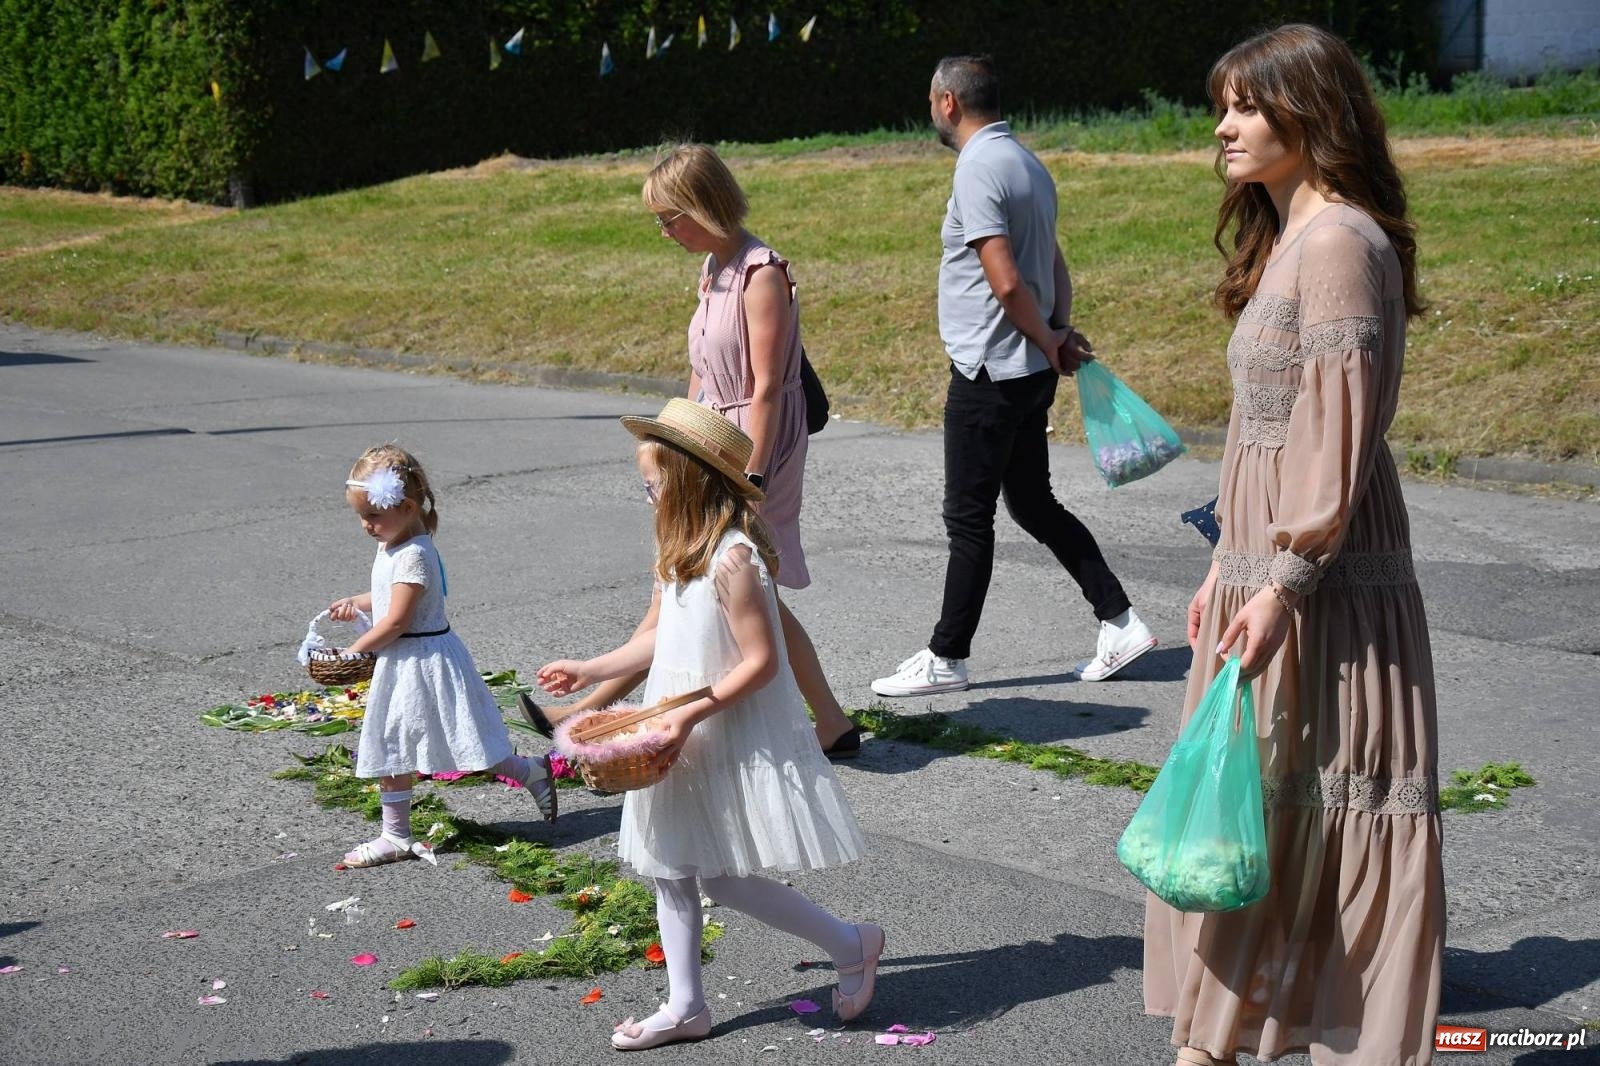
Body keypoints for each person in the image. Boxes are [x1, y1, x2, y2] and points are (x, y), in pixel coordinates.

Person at [1144, 24, 1444, 1066]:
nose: (1220, 127)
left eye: (1244, 106)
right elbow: (1266, 436)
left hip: (1316, 582)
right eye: (1220, 105)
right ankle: (1215, 1044)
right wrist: (1222, 563)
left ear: (1306, 115)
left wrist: (1284, 576)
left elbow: (1338, 438)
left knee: (1304, 806)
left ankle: (1224, 1049)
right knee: (1258, 813)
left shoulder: (1339, 245)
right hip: (1263, 570)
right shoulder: (1291, 239)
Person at [538, 399, 884, 1051]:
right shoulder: (681, 548)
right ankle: (687, 1005)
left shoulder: (735, 558)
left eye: (652, 484)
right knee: (668, 864)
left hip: (717, 724)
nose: (646, 496)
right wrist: (592, 668)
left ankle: (850, 942)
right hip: (678, 722)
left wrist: (690, 713)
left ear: (689, 480)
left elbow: (761, 662)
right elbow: (663, 639)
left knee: (722, 876)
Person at [524, 143, 861, 759]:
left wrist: (747, 472)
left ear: (706, 205)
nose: (664, 231)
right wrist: (664, 443)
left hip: (757, 444)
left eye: (670, 217)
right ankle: (831, 722)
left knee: (723, 580)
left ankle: (592, 708)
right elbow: (700, 372)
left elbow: (762, 389)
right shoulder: (711, 268)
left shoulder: (762, 273)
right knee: (705, 580)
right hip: (704, 438)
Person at [872, 55, 1154, 698]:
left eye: (931, 100)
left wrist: (1047, 334)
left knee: (968, 517)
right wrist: (1055, 330)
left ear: (948, 102)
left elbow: (1004, 278)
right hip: (1028, 367)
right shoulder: (1029, 164)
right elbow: (1053, 264)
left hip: (990, 372)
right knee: (1031, 501)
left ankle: (948, 656)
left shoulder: (977, 168)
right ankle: (1121, 622)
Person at [330, 445, 556, 867]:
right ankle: (395, 835)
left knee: (462, 741)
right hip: (403, 661)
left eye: (373, 515)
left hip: (425, 661)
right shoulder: (392, 545)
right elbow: (385, 596)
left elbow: (398, 619)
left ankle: (530, 772)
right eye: (361, 516)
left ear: (408, 506)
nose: (366, 525)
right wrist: (357, 603)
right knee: (395, 742)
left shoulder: (415, 552)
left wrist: (355, 649)